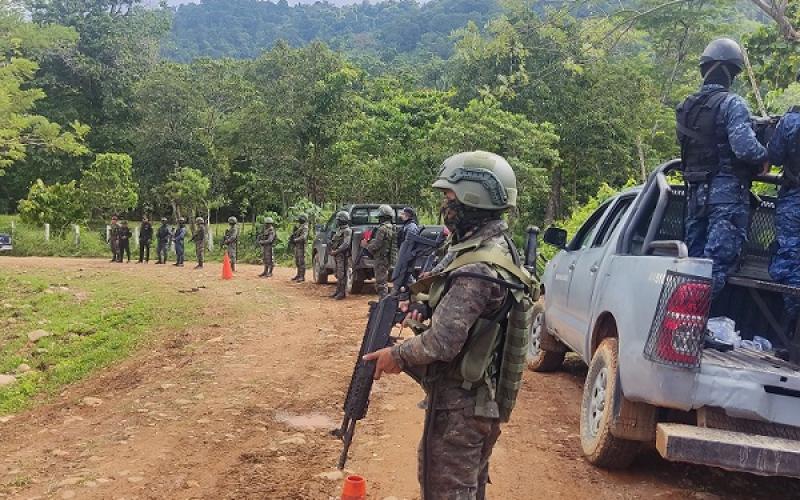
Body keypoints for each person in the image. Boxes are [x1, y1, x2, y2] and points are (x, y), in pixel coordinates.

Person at [364, 151, 533, 500]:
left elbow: (443, 342)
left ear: (474, 197)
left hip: (462, 408)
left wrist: (397, 355)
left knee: (446, 491)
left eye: (449, 196)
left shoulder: (479, 266)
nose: (444, 204)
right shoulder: (484, 247)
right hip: (474, 402)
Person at [676, 37, 768, 298]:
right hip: (726, 197)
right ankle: (691, 322)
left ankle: (681, 323)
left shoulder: (686, 107)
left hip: (695, 195)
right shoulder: (732, 104)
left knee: (693, 265)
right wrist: (766, 154)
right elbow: (745, 148)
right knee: (716, 267)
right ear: (732, 73)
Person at [768, 70, 800, 324]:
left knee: (789, 264)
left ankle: (792, 333)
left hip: (794, 201)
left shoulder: (791, 122)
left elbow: (774, 156)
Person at [362, 204, 394, 298]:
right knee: (383, 280)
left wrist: (366, 246)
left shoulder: (382, 229)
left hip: (380, 258)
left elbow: (377, 244)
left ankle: (383, 303)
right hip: (386, 257)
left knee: (381, 282)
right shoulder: (391, 227)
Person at [392, 207, 421, 295]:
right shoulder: (406, 226)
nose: (401, 216)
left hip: (407, 254)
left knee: (406, 273)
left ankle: (417, 290)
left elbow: (410, 242)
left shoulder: (412, 227)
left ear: (407, 215)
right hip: (403, 253)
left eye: (403, 214)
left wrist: (406, 254)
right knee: (404, 274)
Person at [329, 211, 353, 300]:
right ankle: (338, 291)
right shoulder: (339, 230)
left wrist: (336, 251)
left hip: (342, 255)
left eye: (338, 220)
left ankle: (342, 293)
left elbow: (346, 244)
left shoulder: (347, 230)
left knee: (342, 274)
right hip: (337, 255)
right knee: (338, 273)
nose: (337, 221)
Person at [289, 214, 309, 282]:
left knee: (301, 261)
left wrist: (296, 240)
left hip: (301, 246)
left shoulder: (305, 227)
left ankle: (302, 276)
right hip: (297, 246)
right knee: (297, 261)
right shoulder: (301, 226)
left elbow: (304, 237)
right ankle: (298, 275)